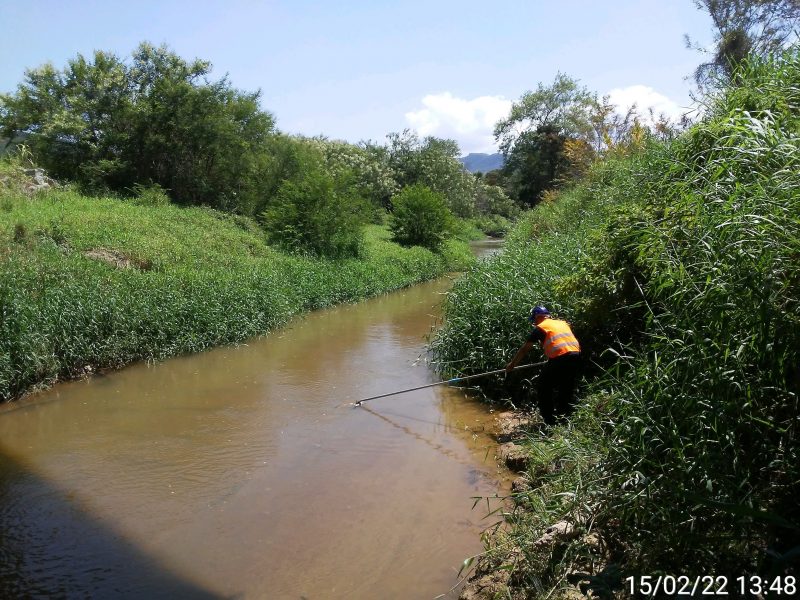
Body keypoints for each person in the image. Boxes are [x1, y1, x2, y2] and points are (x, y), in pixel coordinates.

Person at [505, 306, 581, 425]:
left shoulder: (541, 328)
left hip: (560, 358)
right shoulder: (562, 323)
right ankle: (565, 418)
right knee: (566, 387)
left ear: (538, 317)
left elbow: (525, 349)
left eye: (534, 320)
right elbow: (561, 342)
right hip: (575, 355)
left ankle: (549, 421)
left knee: (543, 387)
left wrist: (512, 364)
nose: (534, 323)